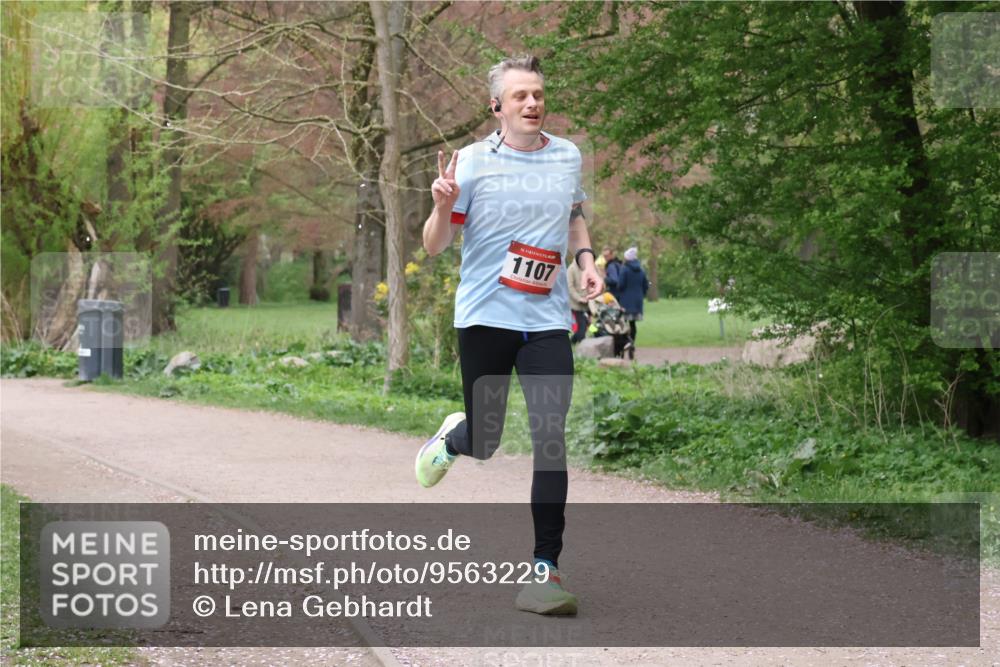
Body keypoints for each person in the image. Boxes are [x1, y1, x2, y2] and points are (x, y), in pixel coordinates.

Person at [415, 55, 603, 616]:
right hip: (484, 317)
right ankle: (454, 439)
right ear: (496, 106)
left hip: (545, 319)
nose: (532, 103)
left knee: (551, 437)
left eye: (538, 94)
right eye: (520, 95)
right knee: (488, 439)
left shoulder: (567, 155)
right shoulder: (470, 163)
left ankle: (545, 569)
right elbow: (434, 246)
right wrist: (442, 207)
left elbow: (573, 217)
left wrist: (586, 260)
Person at [617, 247, 650, 351]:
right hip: (637, 301)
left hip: (625, 301)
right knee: (633, 324)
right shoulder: (641, 270)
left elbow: (620, 285)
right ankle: (632, 343)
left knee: (623, 323)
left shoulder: (625, 269)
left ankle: (626, 343)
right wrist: (641, 294)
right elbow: (646, 285)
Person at [567, 259, 590, 344]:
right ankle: (582, 346)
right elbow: (570, 287)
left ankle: (572, 342)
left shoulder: (587, 267)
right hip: (576, 305)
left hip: (587, 304)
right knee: (582, 326)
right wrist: (579, 298)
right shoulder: (571, 269)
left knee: (586, 325)